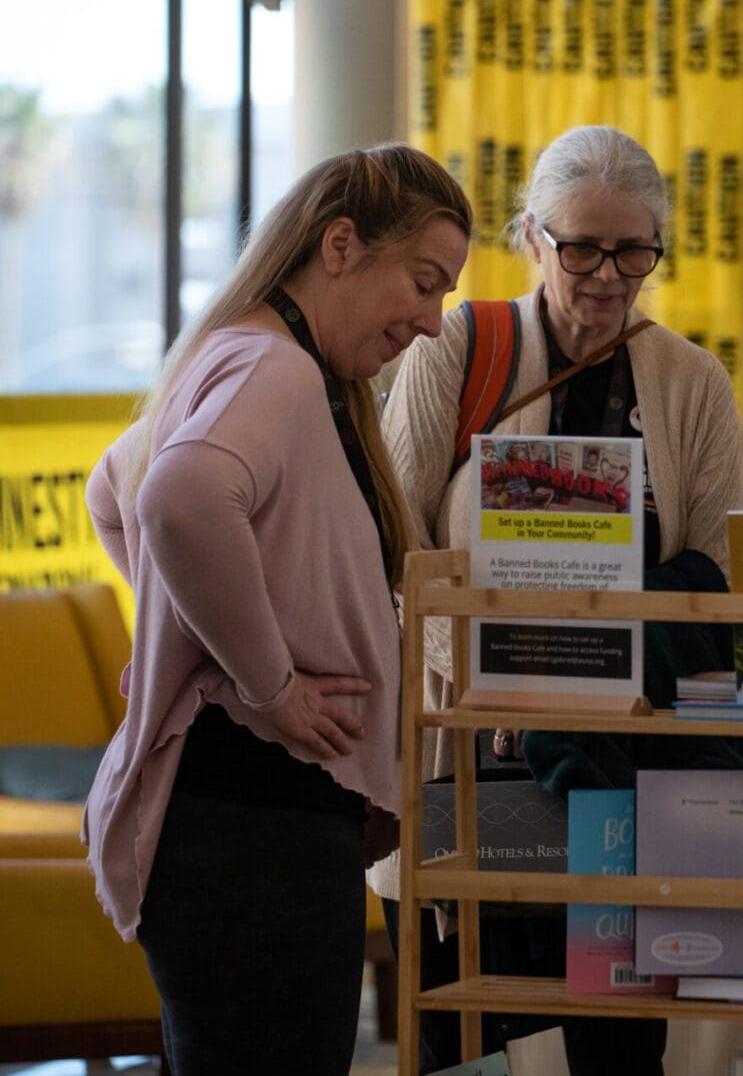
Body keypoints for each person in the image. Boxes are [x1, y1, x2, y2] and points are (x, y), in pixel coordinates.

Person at [370, 125, 743, 1073]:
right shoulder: (459, 349)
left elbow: (715, 575)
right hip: (473, 748)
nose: (608, 275)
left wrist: (593, 654)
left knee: (619, 1037)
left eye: (633, 250)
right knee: (462, 1031)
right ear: (533, 238)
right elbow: (395, 557)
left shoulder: (691, 381)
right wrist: (499, 676)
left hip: (629, 757)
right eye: (581, 247)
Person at [81, 144, 472, 1074]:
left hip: (250, 826)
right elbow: (173, 501)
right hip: (255, 829)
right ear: (340, 244)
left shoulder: (253, 357)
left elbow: (113, 486)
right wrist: (267, 684)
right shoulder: (277, 369)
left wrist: (201, 634)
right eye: (422, 283)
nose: (430, 321)